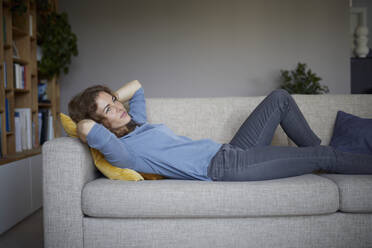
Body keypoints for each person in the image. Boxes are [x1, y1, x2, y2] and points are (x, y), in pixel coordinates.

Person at [68, 80, 372, 181]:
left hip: (230, 149)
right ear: (100, 125)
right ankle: (323, 159)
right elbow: (84, 128)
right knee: (322, 155)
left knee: (279, 98)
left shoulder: (138, 124)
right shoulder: (124, 153)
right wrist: (93, 116)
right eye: (109, 110)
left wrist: (110, 102)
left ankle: (319, 159)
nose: (119, 108)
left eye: (114, 101)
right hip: (226, 167)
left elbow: (137, 87)